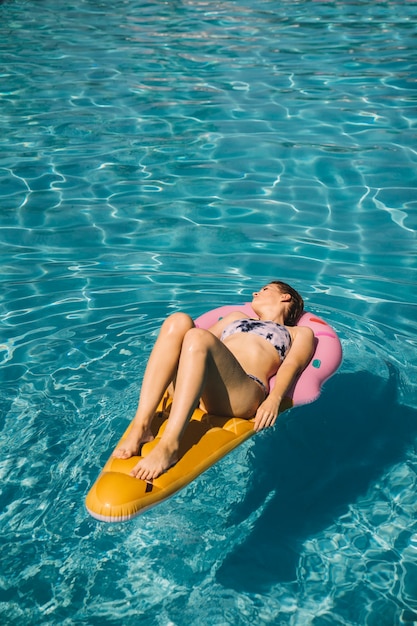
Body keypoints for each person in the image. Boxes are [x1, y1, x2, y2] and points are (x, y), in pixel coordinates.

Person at [113, 281, 314, 481]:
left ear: (284, 297)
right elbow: (192, 346)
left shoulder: (298, 333)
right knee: (179, 320)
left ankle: (169, 445)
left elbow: (292, 366)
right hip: (195, 382)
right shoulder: (236, 317)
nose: (255, 293)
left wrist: (274, 399)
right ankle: (142, 427)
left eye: (264, 290)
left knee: (198, 336)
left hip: (240, 393)